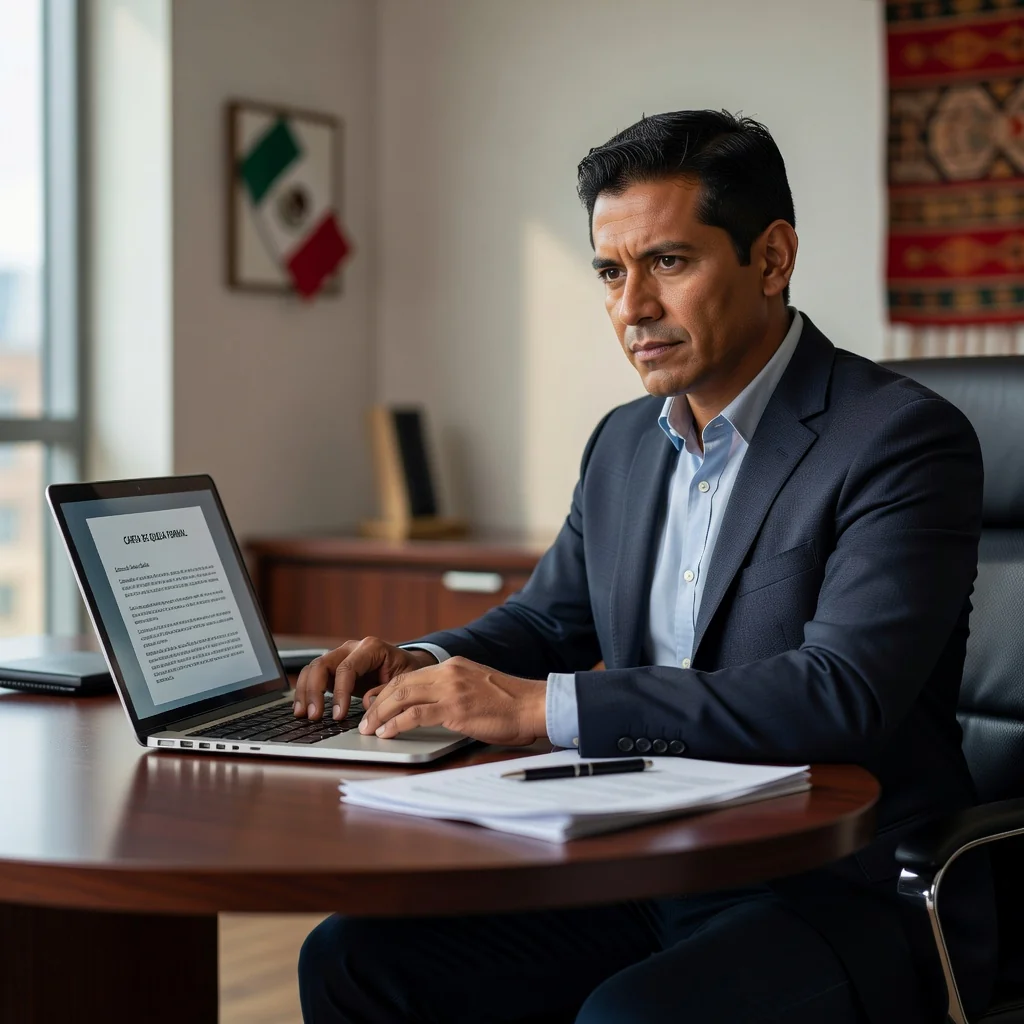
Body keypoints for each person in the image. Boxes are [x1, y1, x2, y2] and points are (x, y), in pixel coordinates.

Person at [294, 109, 992, 1024]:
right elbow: (548, 620)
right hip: (643, 856)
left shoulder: (897, 438)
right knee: (353, 959)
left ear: (772, 259)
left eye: (668, 262)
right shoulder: (625, 443)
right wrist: (418, 665)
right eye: (611, 272)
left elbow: (840, 693)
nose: (632, 307)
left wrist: (546, 708)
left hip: (836, 887)